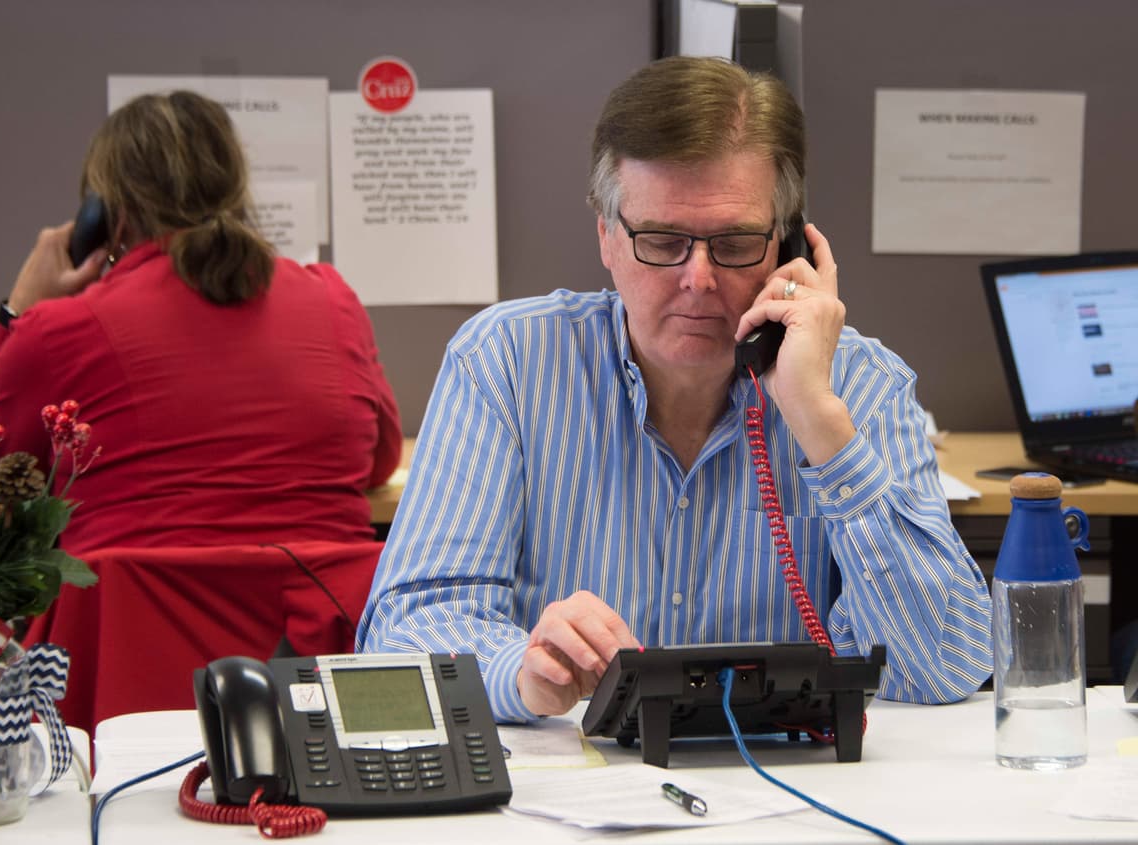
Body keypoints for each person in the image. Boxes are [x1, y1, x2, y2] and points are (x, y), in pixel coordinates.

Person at [356, 56, 993, 722]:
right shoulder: (507, 365)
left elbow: (943, 665)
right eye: (661, 240)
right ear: (605, 234)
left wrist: (817, 421)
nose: (699, 278)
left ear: (788, 245)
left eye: (736, 241)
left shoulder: (859, 385)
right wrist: (515, 670)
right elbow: (398, 639)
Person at [0, 90, 401, 554]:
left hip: (129, 624)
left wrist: (18, 312)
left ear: (109, 213)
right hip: (316, 622)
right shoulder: (332, 300)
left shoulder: (59, 330)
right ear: (237, 190)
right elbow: (379, 460)